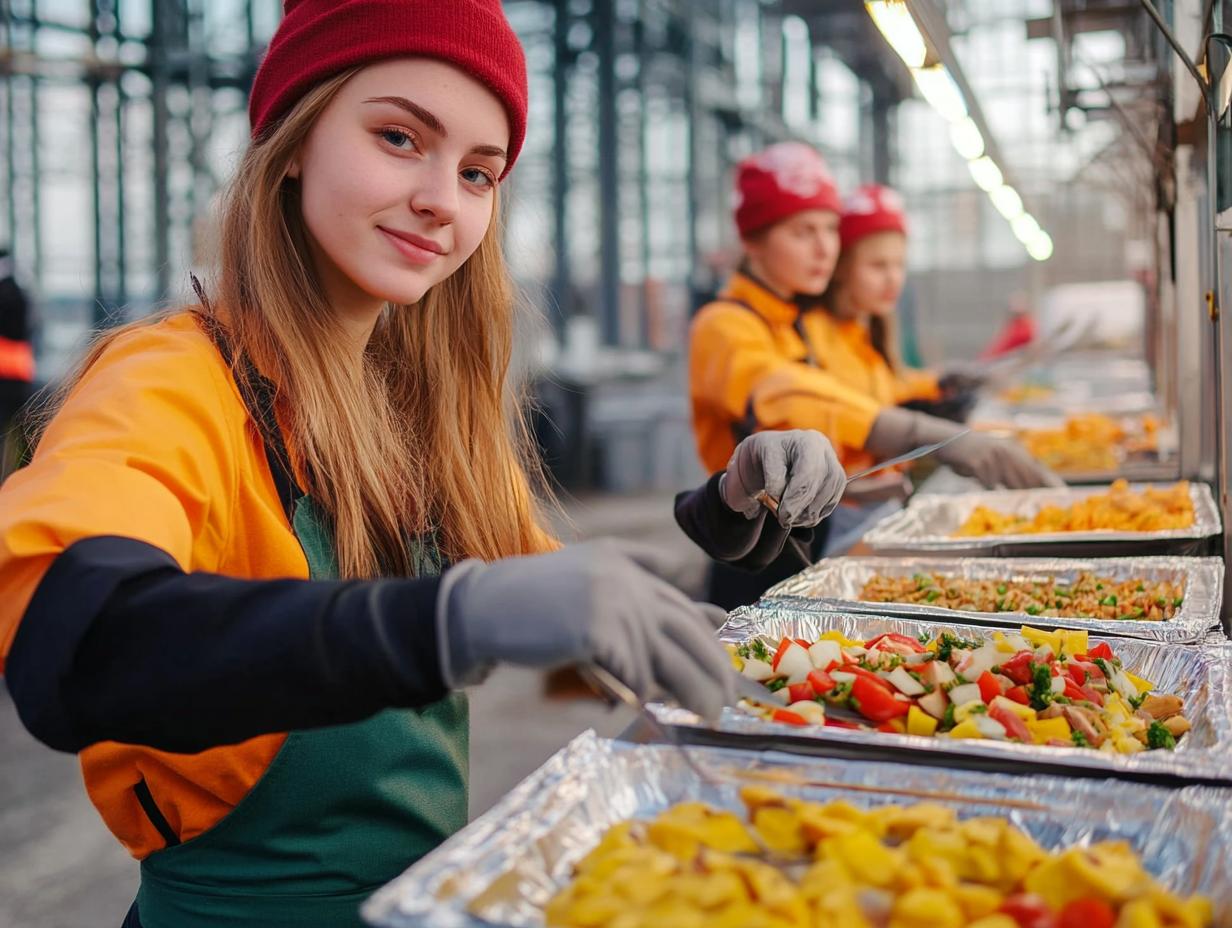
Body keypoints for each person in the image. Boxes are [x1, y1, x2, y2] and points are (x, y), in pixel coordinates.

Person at [0, 4, 848, 926]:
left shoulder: (410, 405)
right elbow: (71, 636)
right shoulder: (173, 378)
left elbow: (561, 599)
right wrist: (444, 619)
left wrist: (732, 505)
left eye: (478, 172)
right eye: (400, 137)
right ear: (290, 141)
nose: (445, 199)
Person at [689, 151, 1060, 604]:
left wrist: (938, 387)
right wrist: (923, 432)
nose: (826, 248)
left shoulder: (795, 320)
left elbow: (861, 395)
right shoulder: (723, 326)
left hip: (810, 541)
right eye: (803, 232)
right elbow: (786, 395)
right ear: (754, 241)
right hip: (754, 561)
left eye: (830, 229)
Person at [0, 247, 34, 475]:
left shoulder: (9, 293)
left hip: (8, 378)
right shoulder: (14, 291)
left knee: (12, 433)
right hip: (15, 376)